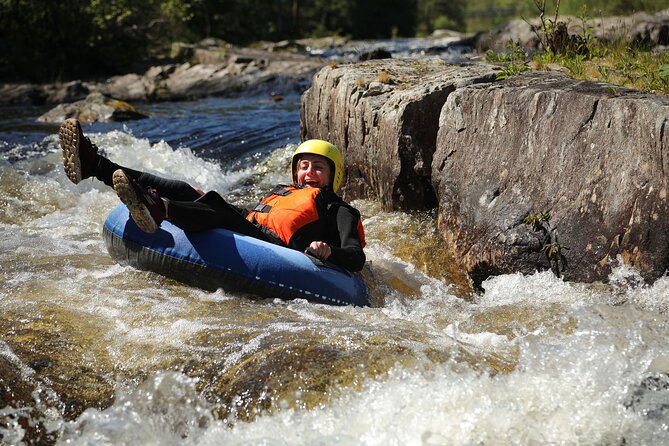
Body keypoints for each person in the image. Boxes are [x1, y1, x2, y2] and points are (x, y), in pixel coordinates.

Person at [58, 119, 366, 272]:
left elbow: (356, 256)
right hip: (257, 231)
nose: (309, 172)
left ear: (333, 175)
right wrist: (205, 197)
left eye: (319, 167)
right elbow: (257, 216)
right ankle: (96, 165)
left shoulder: (338, 208)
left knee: (216, 206)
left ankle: (158, 209)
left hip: (282, 251)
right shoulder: (283, 192)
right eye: (304, 166)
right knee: (188, 190)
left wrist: (328, 251)